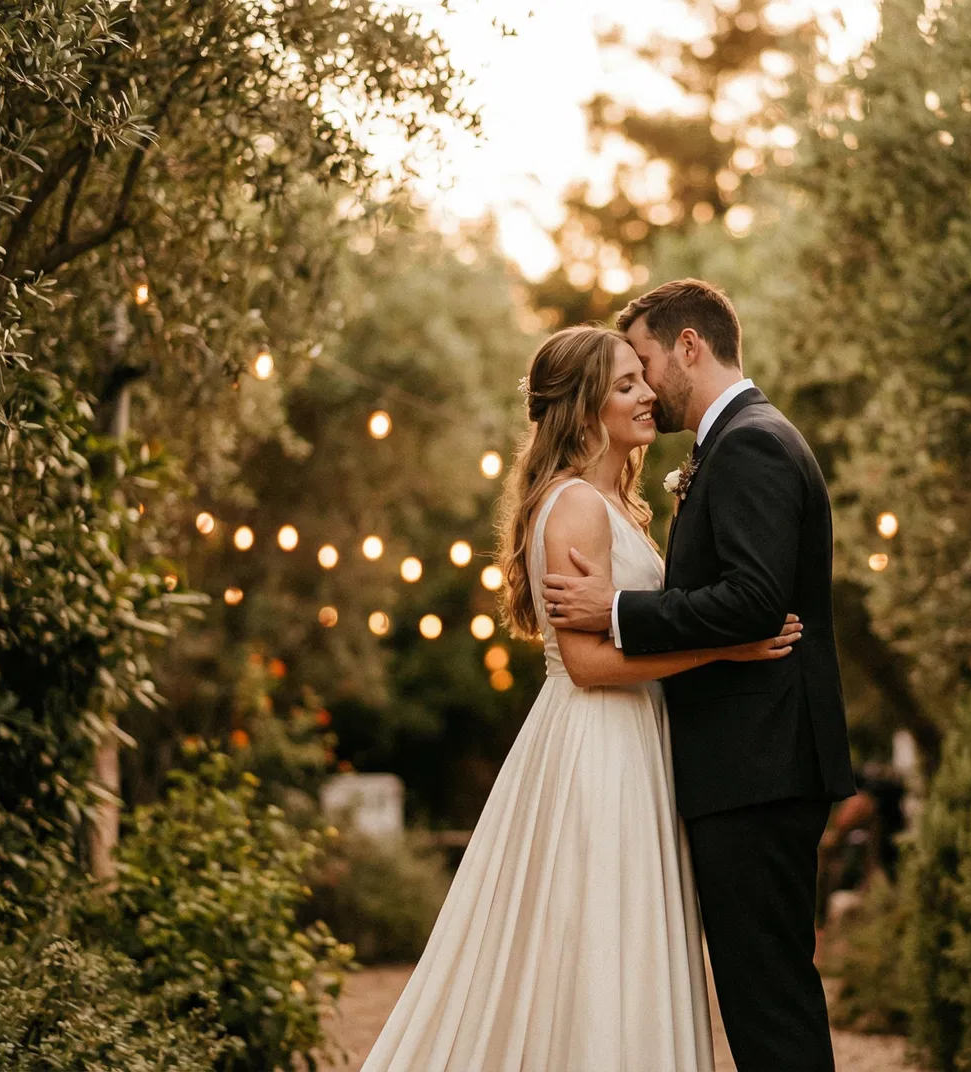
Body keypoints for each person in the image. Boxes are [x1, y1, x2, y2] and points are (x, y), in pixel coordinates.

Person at [361, 324, 803, 1071]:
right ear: (583, 408)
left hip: (631, 737)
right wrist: (724, 648)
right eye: (625, 385)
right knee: (600, 934)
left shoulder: (612, 504)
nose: (646, 395)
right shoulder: (577, 508)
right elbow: (589, 664)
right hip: (598, 745)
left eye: (642, 379)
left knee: (620, 934)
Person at [543, 279, 856, 1071]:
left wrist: (617, 609)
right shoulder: (738, 441)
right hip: (752, 764)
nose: (647, 387)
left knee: (767, 1002)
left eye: (644, 361)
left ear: (689, 346)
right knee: (764, 995)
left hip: (757, 765)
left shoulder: (749, 442)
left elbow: (754, 599)